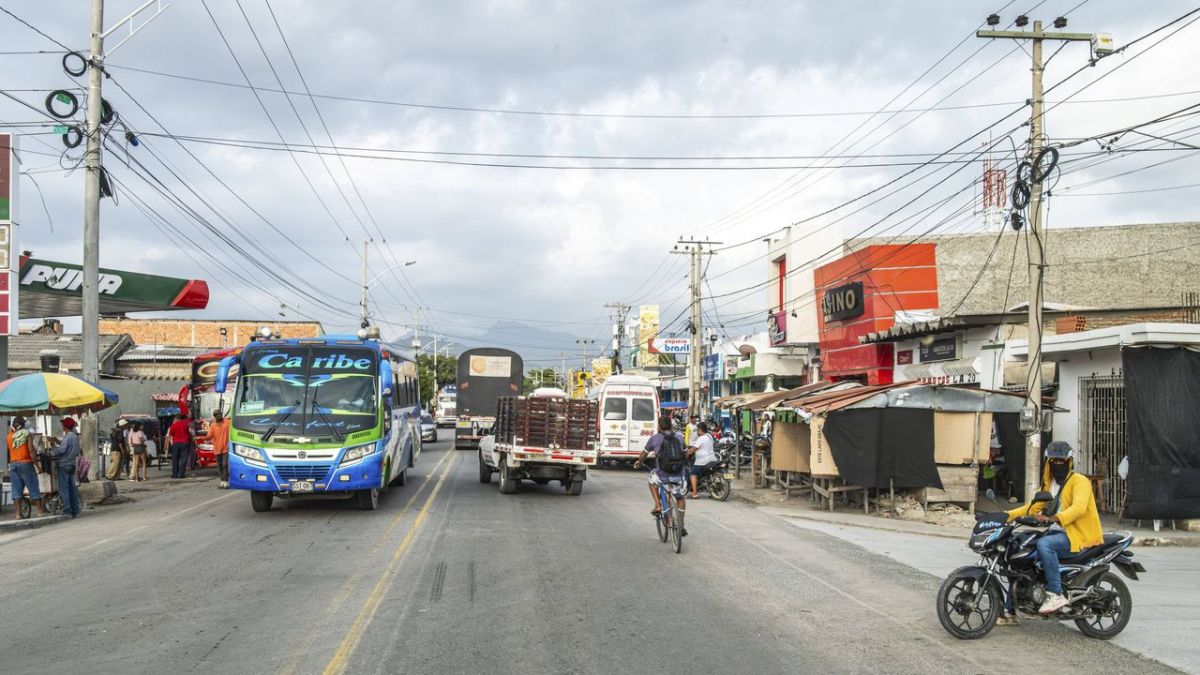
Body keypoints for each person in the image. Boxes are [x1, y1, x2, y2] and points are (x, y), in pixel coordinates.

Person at [1006, 441, 1102, 616]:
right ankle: (1010, 609)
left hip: (1078, 536)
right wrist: (1006, 515)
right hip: (1058, 533)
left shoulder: (1079, 481)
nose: (1058, 464)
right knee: (1020, 550)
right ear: (1048, 463)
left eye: (1061, 460)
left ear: (1069, 461)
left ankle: (1055, 594)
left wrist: (1052, 518)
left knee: (1045, 545)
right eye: (1054, 461)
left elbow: (1079, 508)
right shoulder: (1049, 485)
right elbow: (1032, 507)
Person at [634, 416, 690, 536]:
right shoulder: (680, 437)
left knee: (651, 479)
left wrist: (639, 462)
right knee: (680, 498)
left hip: (662, 475)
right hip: (678, 474)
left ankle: (658, 506)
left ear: (659, 427)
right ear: (671, 425)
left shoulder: (655, 439)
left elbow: (643, 455)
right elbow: (686, 455)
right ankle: (681, 524)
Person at [7, 417, 48, 519]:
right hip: (25, 464)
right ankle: (39, 511)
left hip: (13, 465)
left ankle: (18, 514)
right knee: (33, 486)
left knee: (16, 490)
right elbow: (31, 451)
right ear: (23, 424)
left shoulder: (9, 436)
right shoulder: (27, 434)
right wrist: (38, 466)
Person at [51, 417, 82, 518]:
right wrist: (57, 441)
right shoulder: (75, 437)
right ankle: (75, 510)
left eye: (63, 425)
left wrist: (53, 448)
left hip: (64, 464)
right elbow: (68, 447)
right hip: (72, 464)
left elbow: (61, 450)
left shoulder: (68, 437)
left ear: (65, 427)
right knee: (72, 488)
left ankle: (67, 511)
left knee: (64, 489)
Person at [688, 421, 720, 498]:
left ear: (699, 430)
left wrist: (686, 453)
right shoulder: (709, 436)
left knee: (693, 473)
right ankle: (711, 491)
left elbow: (693, 450)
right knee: (708, 474)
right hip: (712, 459)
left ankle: (694, 493)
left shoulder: (701, 438)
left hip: (702, 461)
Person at [209, 409, 232, 489]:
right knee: (219, 466)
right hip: (217, 448)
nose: (217, 416)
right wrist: (199, 437)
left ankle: (226, 481)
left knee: (225, 464)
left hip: (226, 447)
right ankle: (222, 481)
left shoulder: (228, 422)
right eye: (215, 415)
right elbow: (209, 436)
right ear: (214, 416)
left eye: (218, 414)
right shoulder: (213, 425)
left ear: (221, 414)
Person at [168, 414, 193, 479]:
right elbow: (189, 434)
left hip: (176, 443)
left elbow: (170, 435)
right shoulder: (186, 425)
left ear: (178, 419)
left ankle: (175, 474)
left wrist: (167, 445)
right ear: (181, 419)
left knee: (175, 459)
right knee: (183, 459)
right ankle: (181, 474)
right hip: (185, 443)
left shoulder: (173, 426)